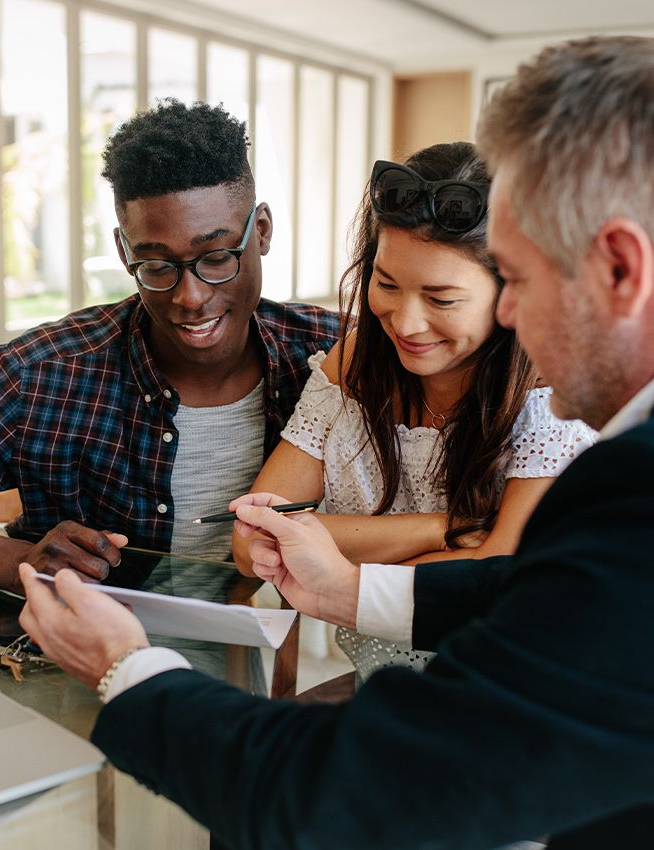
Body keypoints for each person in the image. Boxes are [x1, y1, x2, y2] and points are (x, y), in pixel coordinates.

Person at [19, 35, 654, 849]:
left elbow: (341, 794)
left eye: (517, 282)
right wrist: (349, 591)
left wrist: (123, 667)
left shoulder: (627, 490)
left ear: (619, 269)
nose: (505, 321)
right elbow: (520, 586)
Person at [232, 141, 596, 680]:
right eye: (386, 284)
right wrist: (441, 529)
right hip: (380, 692)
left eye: (441, 299)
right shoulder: (352, 366)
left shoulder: (550, 390)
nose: (405, 322)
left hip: (515, 699)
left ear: (511, 291)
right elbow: (253, 542)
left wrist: (333, 557)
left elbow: (498, 574)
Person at [0, 99, 338, 594]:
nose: (190, 297)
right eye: (156, 267)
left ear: (260, 231)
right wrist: (21, 561)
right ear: (123, 251)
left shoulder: (330, 359)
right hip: (67, 660)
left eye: (217, 257)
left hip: (244, 661)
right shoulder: (41, 375)